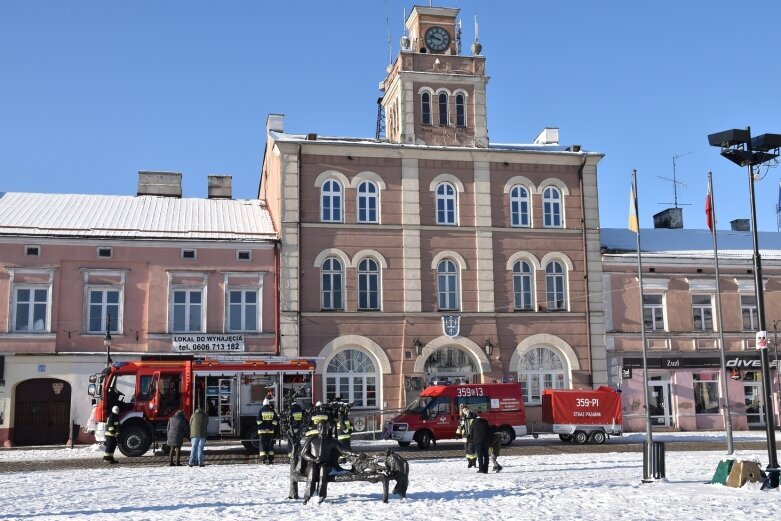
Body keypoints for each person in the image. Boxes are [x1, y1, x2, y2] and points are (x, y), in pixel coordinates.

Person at [299, 416, 359, 504]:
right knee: (312, 469)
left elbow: (343, 450)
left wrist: (354, 454)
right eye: (321, 427)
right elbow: (304, 453)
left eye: (325, 427)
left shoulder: (331, 440)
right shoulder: (312, 439)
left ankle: (321, 495)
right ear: (318, 428)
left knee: (323, 469)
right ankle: (308, 495)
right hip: (312, 463)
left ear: (328, 428)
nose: (323, 429)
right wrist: (314, 459)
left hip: (325, 465)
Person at [257, 398, 279, 464]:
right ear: (268, 403)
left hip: (262, 431)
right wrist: (271, 427)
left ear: (263, 403)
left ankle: (263, 460)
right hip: (270, 431)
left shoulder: (260, 410)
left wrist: (264, 428)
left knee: (262, 444)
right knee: (270, 444)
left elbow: (258, 420)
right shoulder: (272, 410)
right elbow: (276, 420)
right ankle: (270, 460)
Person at [456, 404, 477, 468]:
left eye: (466, 410)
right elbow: (459, 426)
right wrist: (457, 434)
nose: (465, 411)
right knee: (466, 450)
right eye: (463, 411)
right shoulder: (462, 418)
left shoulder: (473, 415)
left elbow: (476, 424)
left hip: (472, 435)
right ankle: (469, 462)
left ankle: (474, 463)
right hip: (465, 436)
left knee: (471, 449)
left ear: (468, 409)